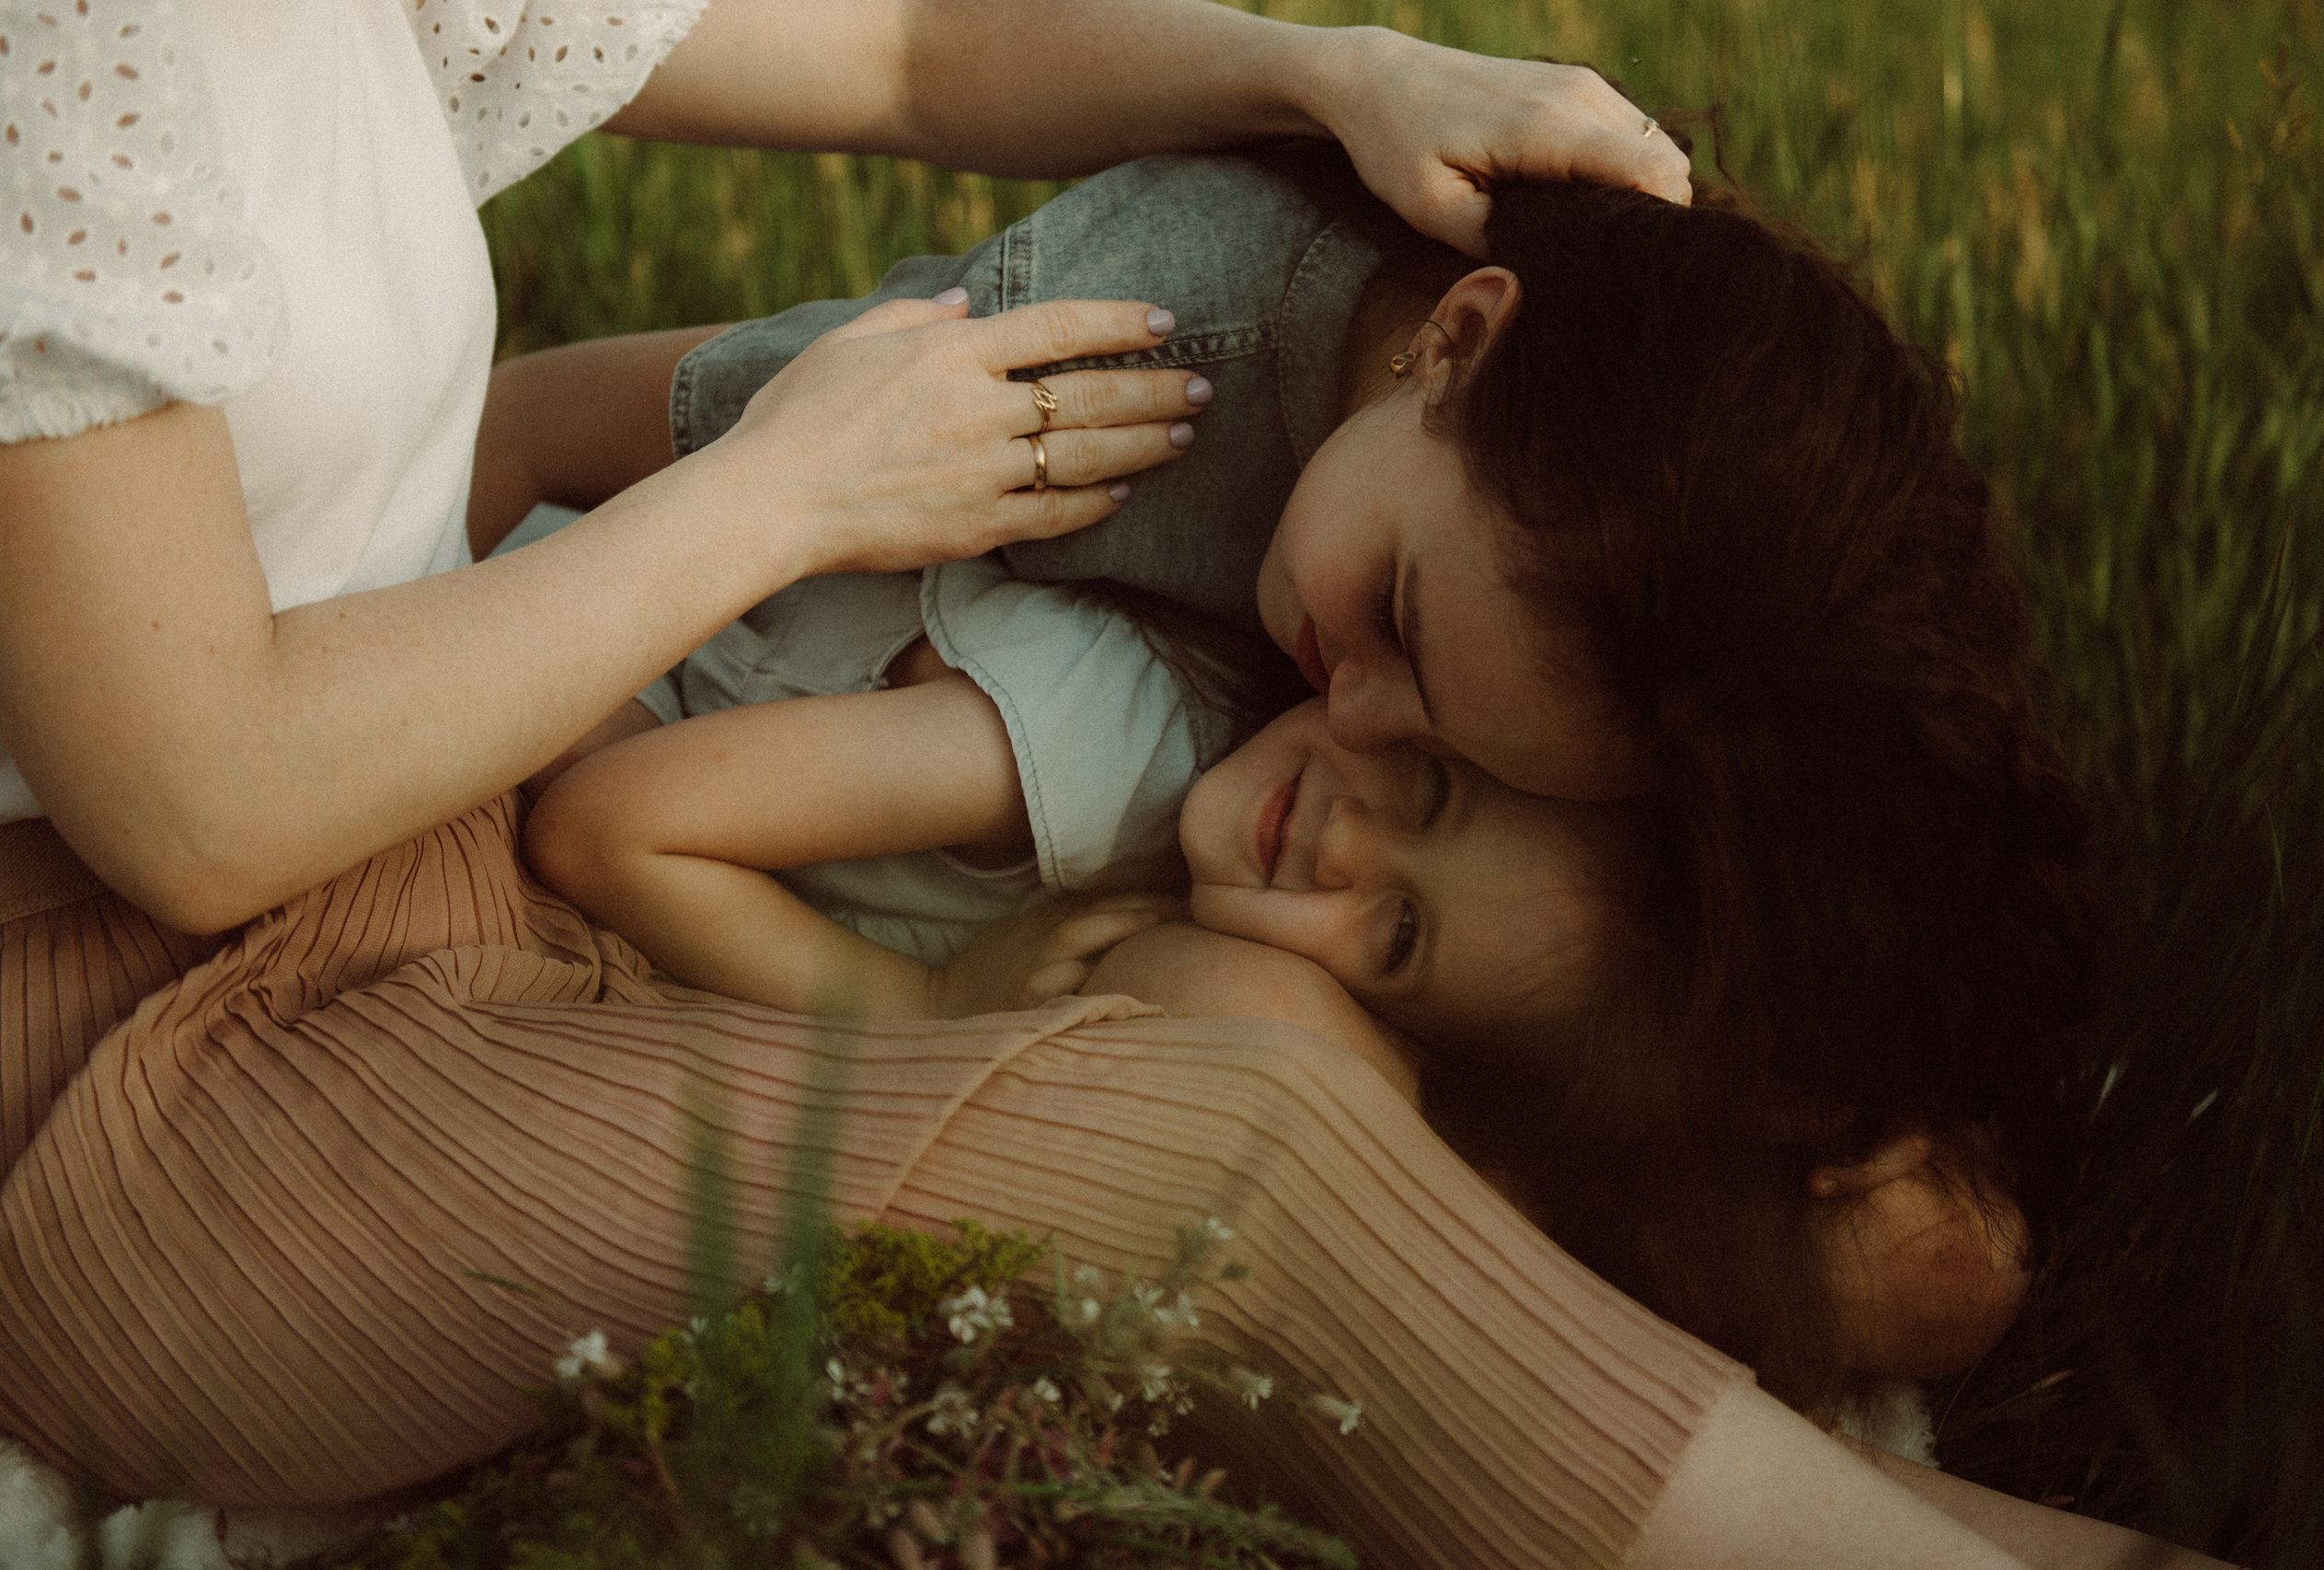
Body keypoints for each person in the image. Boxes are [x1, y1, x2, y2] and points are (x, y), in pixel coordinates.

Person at [0, 3, 2213, 1562]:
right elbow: (198, 807)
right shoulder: (69, 56)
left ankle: (1758, 1422)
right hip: (136, 1044)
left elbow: (888, 45)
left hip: (445, 859)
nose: (1352, 723)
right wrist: (784, 497)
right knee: (1215, 1149)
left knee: (1251, 1029)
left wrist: (1324, 71)